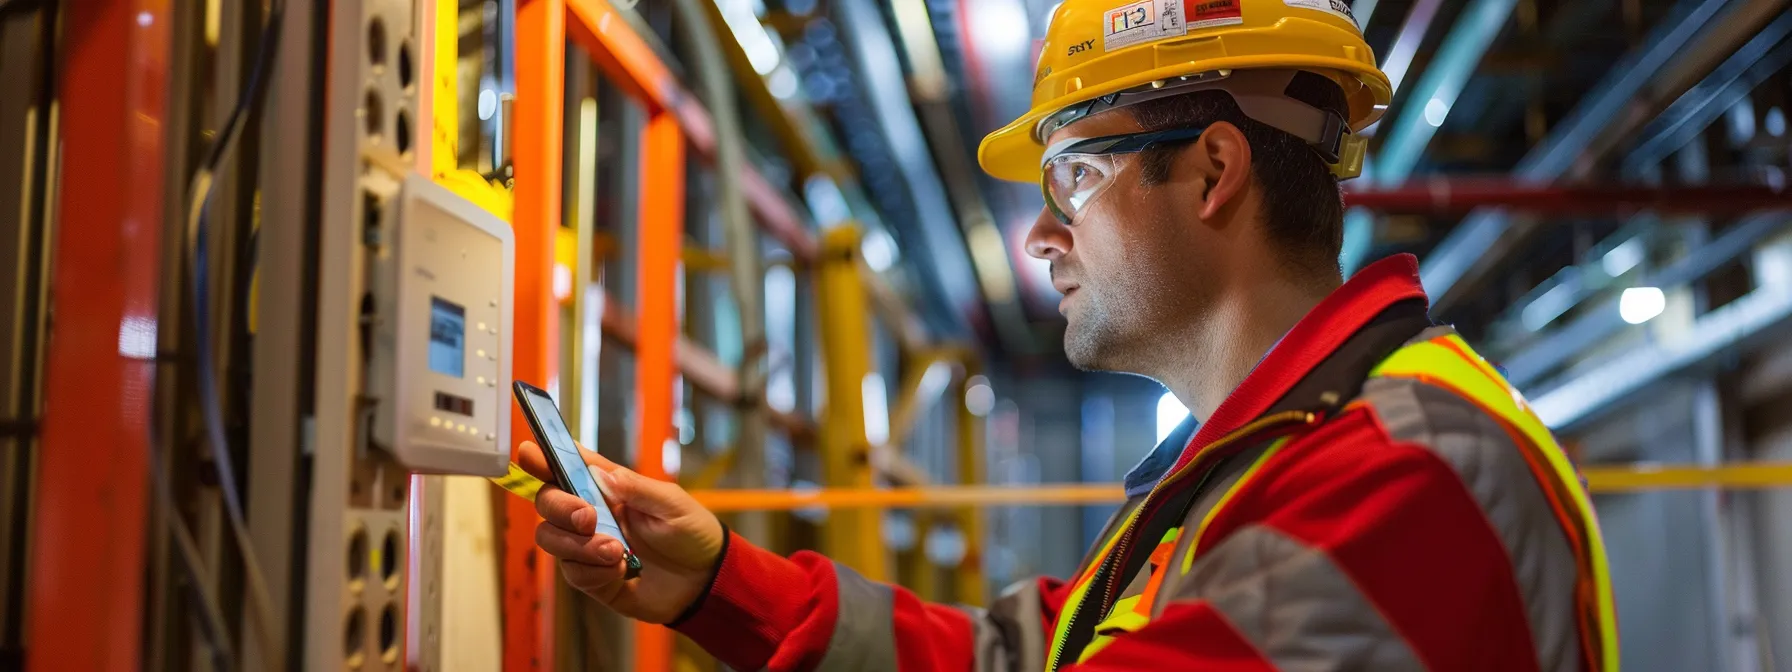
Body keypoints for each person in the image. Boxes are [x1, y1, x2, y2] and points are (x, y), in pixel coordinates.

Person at [520, 0, 1619, 669]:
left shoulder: (1396, 476)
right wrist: (721, 583)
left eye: (1075, 177)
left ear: (1211, 173)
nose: (1042, 235)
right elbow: (1042, 658)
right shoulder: (1266, 461)